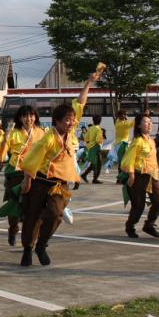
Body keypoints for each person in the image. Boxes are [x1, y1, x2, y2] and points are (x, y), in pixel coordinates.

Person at [18, 65, 103, 266]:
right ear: (56, 121)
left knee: (55, 214)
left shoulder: (71, 133)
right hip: (39, 181)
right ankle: (28, 250)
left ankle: (42, 245)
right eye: (67, 120)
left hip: (59, 185)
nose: (72, 123)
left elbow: (80, 103)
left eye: (73, 120)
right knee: (31, 219)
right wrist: (27, 180)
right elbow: (32, 159)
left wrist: (89, 83)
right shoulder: (48, 138)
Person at [0, 105, 44, 246]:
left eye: (31, 115)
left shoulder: (41, 133)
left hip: (35, 170)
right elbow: (2, 155)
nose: (28, 119)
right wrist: (6, 136)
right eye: (25, 116)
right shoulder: (13, 133)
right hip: (16, 171)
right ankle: (13, 228)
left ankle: (34, 236)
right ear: (20, 118)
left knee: (38, 205)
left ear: (35, 117)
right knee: (14, 204)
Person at [121, 115, 159, 238]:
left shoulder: (151, 140)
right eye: (146, 122)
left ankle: (149, 225)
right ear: (139, 125)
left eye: (150, 122)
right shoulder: (138, 141)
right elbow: (128, 159)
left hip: (152, 176)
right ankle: (130, 226)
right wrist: (131, 175)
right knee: (138, 205)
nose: (149, 124)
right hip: (139, 176)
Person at [80, 115, 104, 183]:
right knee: (98, 163)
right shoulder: (98, 129)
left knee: (94, 163)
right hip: (96, 147)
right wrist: (101, 141)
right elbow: (98, 140)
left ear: (93, 120)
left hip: (91, 147)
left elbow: (86, 138)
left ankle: (85, 175)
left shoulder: (90, 128)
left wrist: (89, 144)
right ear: (100, 121)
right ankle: (94, 179)